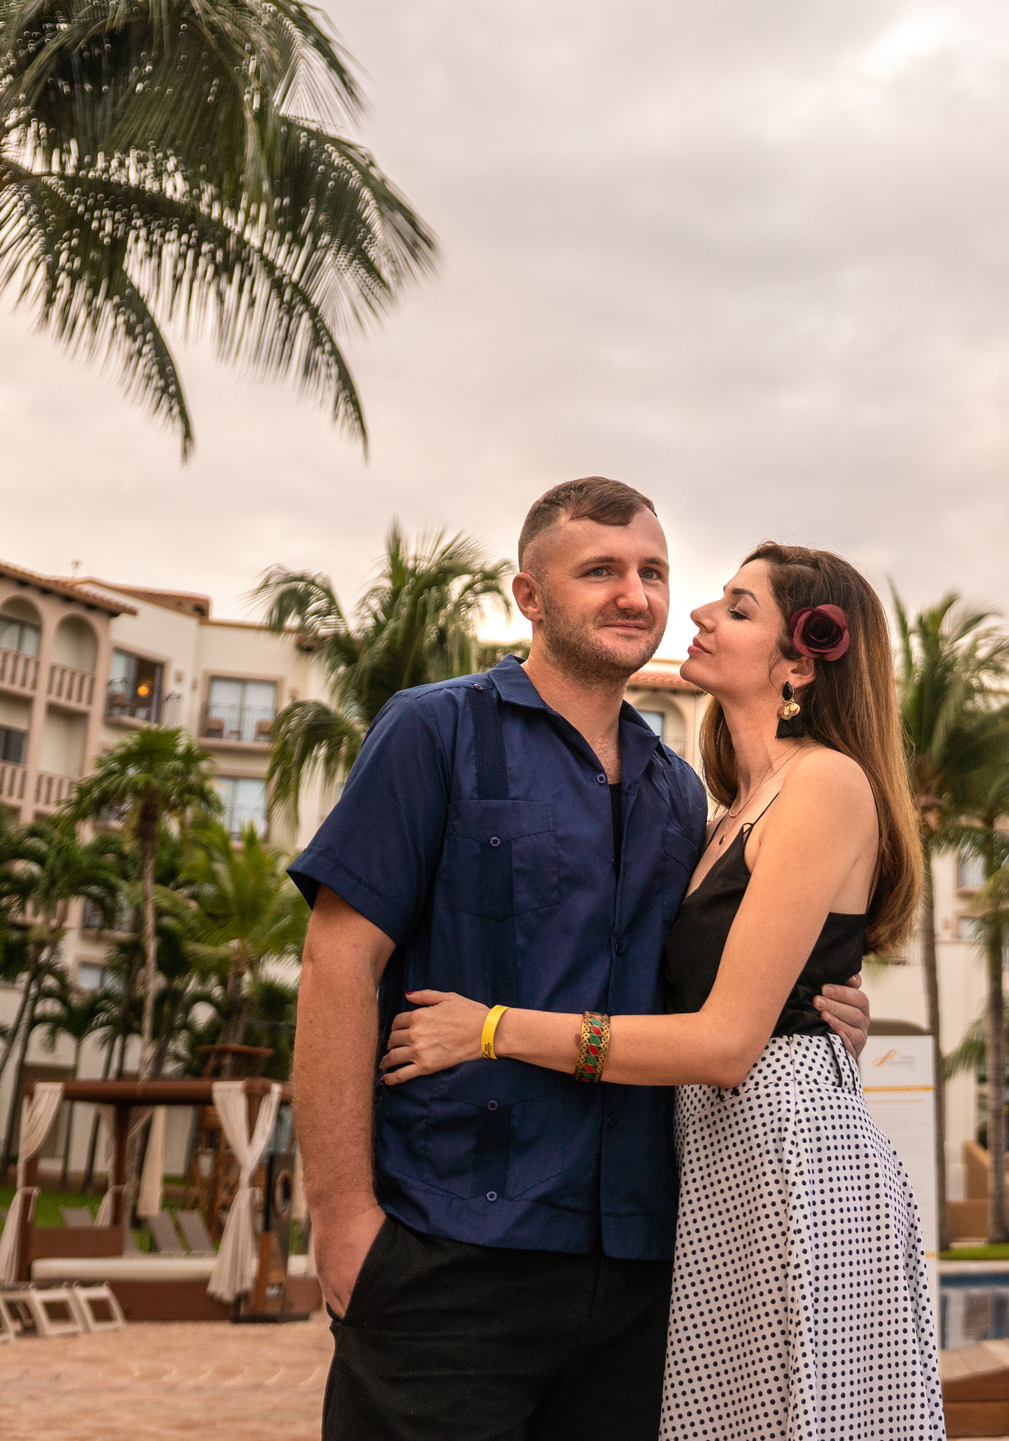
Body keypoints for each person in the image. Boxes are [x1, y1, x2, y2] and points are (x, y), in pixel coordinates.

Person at [292, 479, 876, 1441]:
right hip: (450, 1251)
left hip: (643, 1274)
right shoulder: (434, 729)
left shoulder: (682, 796)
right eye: (600, 570)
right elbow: (336, 963)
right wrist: (344, 1218)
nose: (635, 595)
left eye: (652, 571)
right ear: (529, 595)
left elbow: (718, 983)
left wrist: (820, 1013)